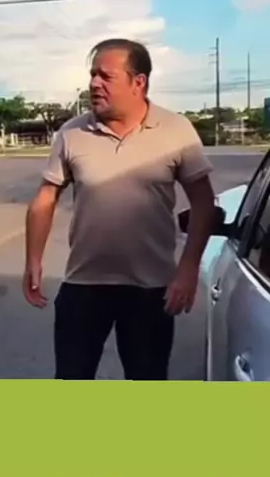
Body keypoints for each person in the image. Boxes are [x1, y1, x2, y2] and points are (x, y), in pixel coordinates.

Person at [23, 38, 216, 381]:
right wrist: (33, 260)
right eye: (92, 75)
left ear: (138, 82)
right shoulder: (72, 132)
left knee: (147, 384)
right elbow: (45, 197)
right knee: (70, 382)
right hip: (84, 285)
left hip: (151, 290)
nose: (94, 84)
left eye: (106, 76)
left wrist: (187, 269)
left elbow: (203, 202)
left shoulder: (176, 130)